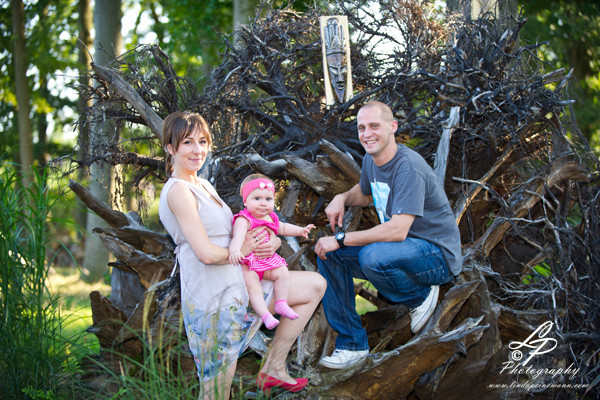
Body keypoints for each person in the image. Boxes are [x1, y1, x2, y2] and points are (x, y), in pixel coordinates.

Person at [158, 111, 326, 398]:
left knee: (313, 285)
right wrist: (246, 248)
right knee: (216, 392)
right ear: (170, 148)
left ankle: (273, 367)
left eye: (202, 141)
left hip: (241, 281)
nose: (197, 150)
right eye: (187, 142)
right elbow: (206, 253)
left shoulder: (203, 184)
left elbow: (239, 227)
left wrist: (269, 241)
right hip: (214, 293)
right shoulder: (179, 192)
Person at [314, 101, 462, 370]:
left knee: (371, 255)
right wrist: (342, 197)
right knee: (328, 255)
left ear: (393, 127)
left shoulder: (408, 167)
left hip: (436, 255)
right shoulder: (372, 159)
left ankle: (420, 296)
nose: (367, 133)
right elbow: (365, 192)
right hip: (402, 250)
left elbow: (396, 230)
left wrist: (340, 239)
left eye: (374, 126)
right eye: (361, 128)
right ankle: (352, 345)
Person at [229, 174, 316, 330]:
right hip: (250, 263)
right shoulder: (244, 219)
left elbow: (283, 228)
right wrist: (235, 250)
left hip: (267, 261)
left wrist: (300, 231)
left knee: (283, 272)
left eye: (268, 199)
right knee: (252, 286)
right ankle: (265, 315)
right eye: (257, 199)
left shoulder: (271, 217)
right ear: (245, 201)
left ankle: (281, 303)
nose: (263, 203)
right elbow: (238, 236)